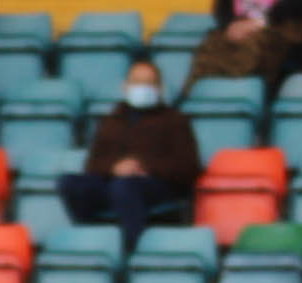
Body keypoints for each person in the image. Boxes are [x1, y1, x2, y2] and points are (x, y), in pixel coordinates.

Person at [59, 62, 200, 253]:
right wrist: (114, 168)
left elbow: (189, 166)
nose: (142, 88)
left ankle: (134, 250)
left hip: (157, 185)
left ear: (160, 88)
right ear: (125, 87)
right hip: (114, 181)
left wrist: (145, 167)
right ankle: (93, 242)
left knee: (125, 186)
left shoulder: (175, 120)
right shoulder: (111, 120)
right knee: (70, 183)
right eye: (137, 82)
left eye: (149, 83)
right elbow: (93, 164)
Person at [182, 0, 302, 97]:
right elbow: (223, 14)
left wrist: (258, 24)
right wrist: (232, 27)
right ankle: (194, 95)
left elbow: (297, 14)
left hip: (287, 52)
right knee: (212, 44)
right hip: (240, 39)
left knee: (254, 46)